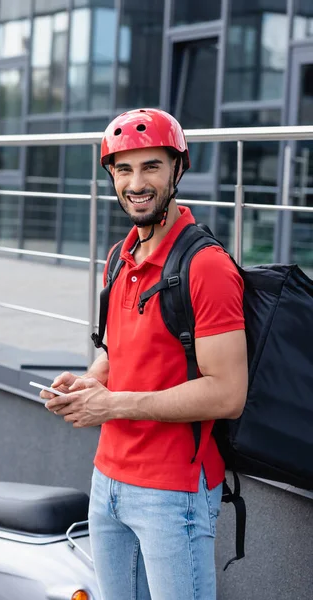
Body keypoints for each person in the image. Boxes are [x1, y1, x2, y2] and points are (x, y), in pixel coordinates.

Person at [41, 108, 248, 600]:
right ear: (111, 175)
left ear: (178, 169)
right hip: (107, 478)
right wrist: (92, 382)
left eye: (151, 166)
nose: (137, 182)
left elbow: (227, 393)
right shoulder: (119, 256)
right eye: (124, 169)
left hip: (172, 491)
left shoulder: (207, 267)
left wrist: (113, 405)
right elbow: (119, 354)